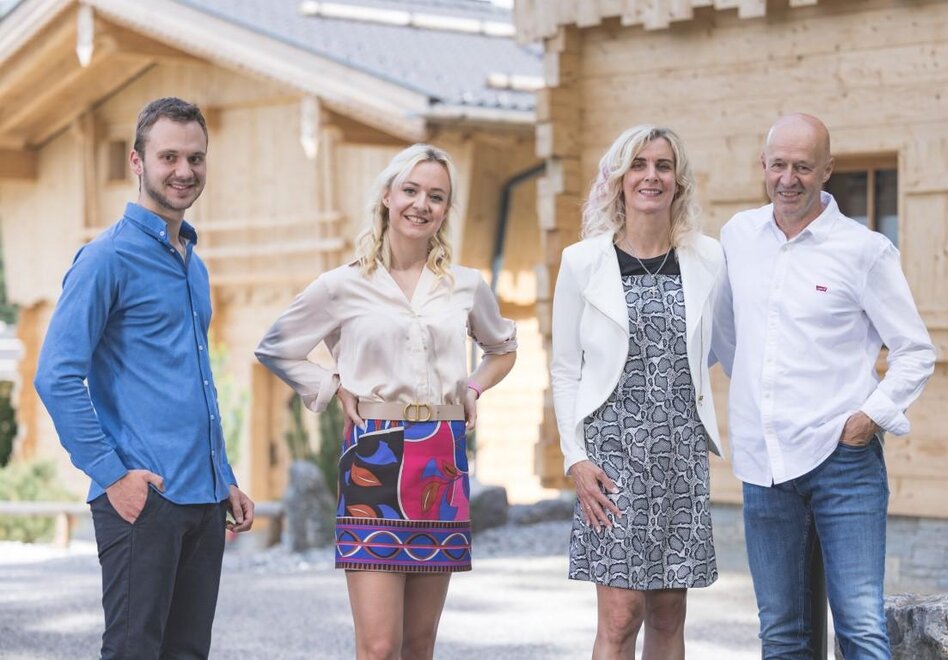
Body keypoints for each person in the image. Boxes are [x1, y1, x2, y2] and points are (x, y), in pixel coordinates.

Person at [255, 143, 517, 659]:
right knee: (378, 647)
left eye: (436, 196)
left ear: (446, 208)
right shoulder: (342, 285)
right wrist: (333, 385)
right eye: (411, 190)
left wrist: (472, 387)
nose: (422, 204)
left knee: (419, 644)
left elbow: (502, 348)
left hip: (441, 457)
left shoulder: (465, 285)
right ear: (387, 197)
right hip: (374, 454)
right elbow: (275, 347)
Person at [34, 96, 255, 659]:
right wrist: (113, 476)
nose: (184, 171)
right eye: (169, 157)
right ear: (137, 161)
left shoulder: (193, 266)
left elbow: (193, 383)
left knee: (187, 653)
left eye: (196, 158)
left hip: (204, 500)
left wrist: (223, 477)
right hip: (143, 499)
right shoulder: (105, 259)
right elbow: (56, 376)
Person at [713, 113, 937, 659]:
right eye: (778, 165)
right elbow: (725, 333)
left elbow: (915, 351)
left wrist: (867, 420)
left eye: (803, 167)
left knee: (860, 629)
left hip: (844, 463)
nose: (788, 179)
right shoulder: (738, 236)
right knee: (781, 634)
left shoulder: (864, 250)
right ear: (762, 166)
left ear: (827, 170)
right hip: (765, 465)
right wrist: (760, 398)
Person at [551, 125, 725, 659]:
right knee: (621, 615)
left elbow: (718, 347)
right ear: (619, 178)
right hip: (611, 458)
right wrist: (575, 458)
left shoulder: (708, 259)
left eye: (663, 166)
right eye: (639, 165)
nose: (651, 176)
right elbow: (565, 369)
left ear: (678, 181)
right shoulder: (582, 262)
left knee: (669, 614)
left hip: (680, 456)